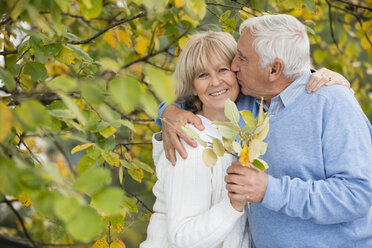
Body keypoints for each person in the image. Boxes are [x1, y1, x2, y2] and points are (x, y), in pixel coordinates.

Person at [222, 14, 372, 247]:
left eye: (243, 59)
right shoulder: (245, 100)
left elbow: (356, 195)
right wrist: (169, 113)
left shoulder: (332, 103)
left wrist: (269, 190)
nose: (233, 66)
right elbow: (193, 101)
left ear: (274, 69)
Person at [140, 31, 250, 248]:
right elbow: (183, 238)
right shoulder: (189, 143)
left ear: (238, 71)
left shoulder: (241, 133)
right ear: (192, 86)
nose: (215, 82)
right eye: (202, 75)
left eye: (222, 69)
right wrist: (234, 204)